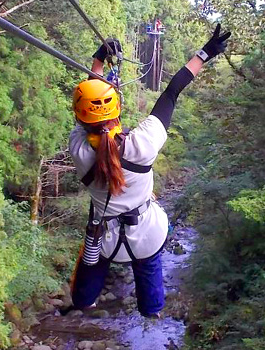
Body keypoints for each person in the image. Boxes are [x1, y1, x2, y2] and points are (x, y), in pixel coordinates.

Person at [68, 24, 231, 318]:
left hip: (103, 240)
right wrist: (205, 53)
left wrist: (98, 61)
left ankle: (85, 301)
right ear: (117, 109)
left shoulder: (79, 150)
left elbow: (89, 108)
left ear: (80, 117)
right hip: (145, 232)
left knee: (85, 287)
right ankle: (152, 310)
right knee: (150, 264)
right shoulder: (143, 143)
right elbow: (171, 93)